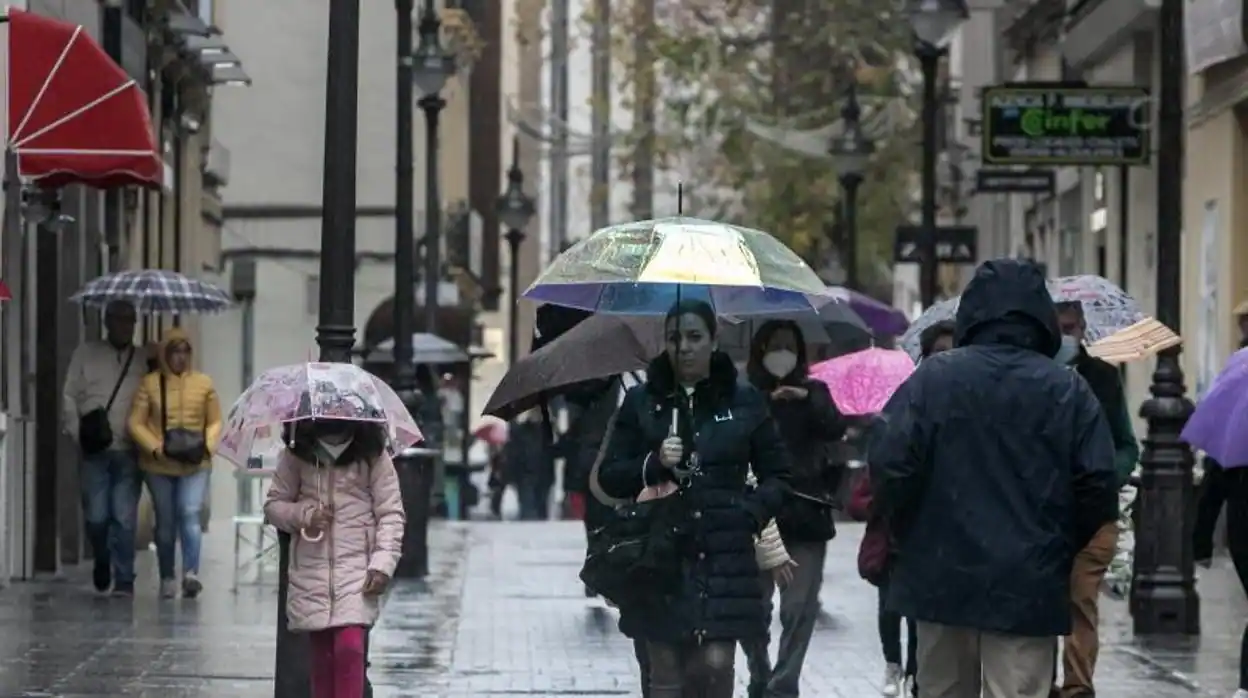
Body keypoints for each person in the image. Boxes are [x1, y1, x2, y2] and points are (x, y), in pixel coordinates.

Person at [868, 259, 1119, 698]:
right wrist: (1057, 541)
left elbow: (890, 465)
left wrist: (915, 533)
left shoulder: (934, 380)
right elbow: (1098, 485)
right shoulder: (1066, 390)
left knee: (943, 688)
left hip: (940, 575)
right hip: (1028, 580)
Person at [597, 299, 792, 698]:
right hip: (660, 557)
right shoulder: (642, 402)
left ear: (713, 341)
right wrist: (653, 463)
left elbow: (779, 476)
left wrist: (748, 514)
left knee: (716, 668)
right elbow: (610, 476)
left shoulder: (743, 401)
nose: (684, 347)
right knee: (664, 674)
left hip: (723, 557)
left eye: (694, 337)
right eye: (674, 338)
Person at [264, 417, 405, 698]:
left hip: (358, 567)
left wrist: (382, 564)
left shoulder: (373, 456)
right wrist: (305, 515)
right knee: (322, 657)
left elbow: (390, 514)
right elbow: (273, 505)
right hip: (311, 568)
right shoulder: (296, 454)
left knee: (350, 647)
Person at [741, 320, 845, 698]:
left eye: (788, 346)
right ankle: (759, 671)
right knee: (753, 607)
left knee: (798, 607)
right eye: (773, 346)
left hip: (805, 515)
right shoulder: (746, 395)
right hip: (758, 515)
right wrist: (765, 404)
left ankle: (783, 684)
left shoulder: (815, 392)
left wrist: (805, 399)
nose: (780, 355)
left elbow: (835, 427)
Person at [853, 320, 955, 697]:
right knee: (895, 608)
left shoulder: (976, 405)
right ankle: (899, 668)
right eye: (938, 354)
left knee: (926, 630)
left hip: (952, 548)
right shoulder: (905, 408)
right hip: (904, 537)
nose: (947, 361)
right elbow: (885, 470)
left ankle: (914, 675)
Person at [1052, 301, 1140, 698]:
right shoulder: (1034, 375)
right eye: (1061, 328)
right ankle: (1042, 682)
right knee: (1039, 601)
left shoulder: (1102, 376)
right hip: (1042, 512)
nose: (1069, 336)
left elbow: (1126, 444)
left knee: (1081, 600)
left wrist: (1107, 476)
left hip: (1094, 513)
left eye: (1074, 327)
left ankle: (1076, 687)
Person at [127, 327, 222, 598]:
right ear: (164, 354)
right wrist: (154, 447)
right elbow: (136, 421)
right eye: (174, 351)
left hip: (195, 463)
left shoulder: (203, 383)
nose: (180, 357)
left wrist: (208, 445)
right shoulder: (150, 383)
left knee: (190, 513)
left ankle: (191, 573)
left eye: (185, 351)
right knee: (166, 521)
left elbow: (215, 419)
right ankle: (167, 575)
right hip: (159, 465)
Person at [62, 300, 143, 596]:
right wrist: (75, 431)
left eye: (130, 320)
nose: (125, 325)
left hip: (129, 450)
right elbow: (69, 394)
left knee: (123, 517)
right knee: (96, 516)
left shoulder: (143, 358)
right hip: (94, 449)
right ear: (107, 322)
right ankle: (102, 559)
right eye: (119, 319)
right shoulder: (86, 353)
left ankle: (124, 579)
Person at [504, 407, 555, 520]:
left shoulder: (546, 432)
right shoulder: (523, 431)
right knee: (530, 508)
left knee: (537, 507)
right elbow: (514, 455)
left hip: (539, 475)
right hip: (528, 475)